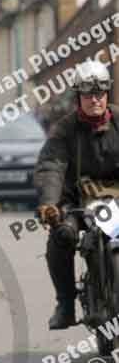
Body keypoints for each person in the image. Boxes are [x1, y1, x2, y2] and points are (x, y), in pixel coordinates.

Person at [34, 60, 119, 329]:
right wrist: (49, 203)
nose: (95, 99)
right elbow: (52, 166)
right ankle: (66, 304)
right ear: (78, 97)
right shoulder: (64, 129)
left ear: (107, 94)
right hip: (78, 203)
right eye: (88, 94)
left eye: (100, 94)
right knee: (62, 235)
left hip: (117, 202)